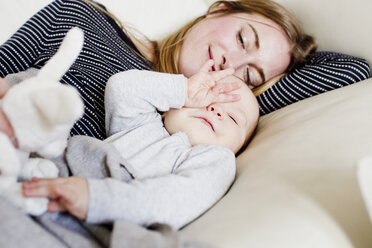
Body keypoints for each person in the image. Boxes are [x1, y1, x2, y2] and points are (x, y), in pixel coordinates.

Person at [0, 0, 369, 143]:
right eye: (243, 38)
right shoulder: (82, 19)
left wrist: (247, 93)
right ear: (221, 8)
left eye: (251, 75)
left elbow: (352, 70)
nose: (231, 65)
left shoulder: (203, 120)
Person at [20, 63, 259, 229]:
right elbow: (121, 88)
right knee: (30, 83)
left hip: (99, 216)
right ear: (169, 108)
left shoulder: (215, 160)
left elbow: (172, 201)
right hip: (50, 169)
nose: (216, 109)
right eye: (208, 97)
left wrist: (96, 199)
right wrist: (184, 90)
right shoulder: (142, 124)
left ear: (238, 149)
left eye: (234, 118)